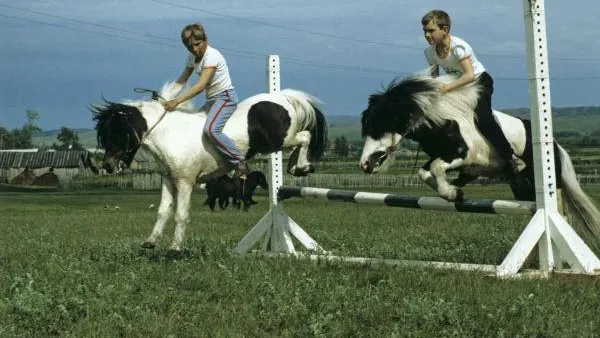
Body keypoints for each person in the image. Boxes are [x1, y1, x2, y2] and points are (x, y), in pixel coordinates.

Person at [421, 10, 525, 177]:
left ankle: (511, 156)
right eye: (425, 31)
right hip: (458, 86)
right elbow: (435, 79)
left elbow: (469, 75)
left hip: (478, 82)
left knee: (482, 118)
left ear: (445, 29)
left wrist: (446, 89)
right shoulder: (430, 53)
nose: (427, 35)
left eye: (431, 31)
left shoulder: (459, 47)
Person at [163, 23, 249, 178]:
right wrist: (167, 96)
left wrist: (176, 101)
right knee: (193, 127)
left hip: (225, 97)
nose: (195, 49)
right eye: (190, 47)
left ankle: (240, 161)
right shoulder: (192, 58)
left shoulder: (212, 56)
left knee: (210, 130)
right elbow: (182, 79)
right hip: (211, 101)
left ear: (205, 40)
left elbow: (201, 85)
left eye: (197, 44)